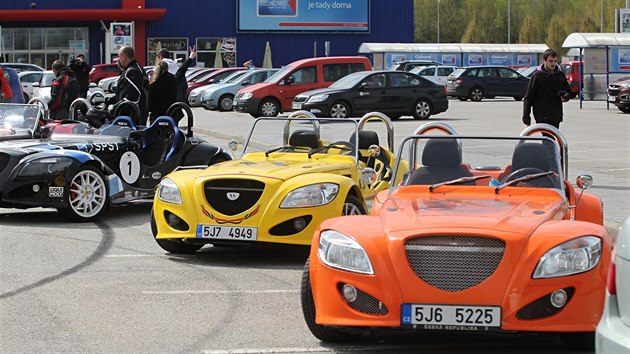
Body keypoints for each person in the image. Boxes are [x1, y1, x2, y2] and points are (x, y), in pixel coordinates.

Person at [522, 48, 575, 129]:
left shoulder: (560, 75)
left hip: (556, 115)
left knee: (552, 138)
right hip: (542, 115)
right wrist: (526, 116)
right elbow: (529, 97)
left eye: (555, 61)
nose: (553, 64)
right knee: (547, 138)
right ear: (544, 60)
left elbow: (569, 93)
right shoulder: (537, 76)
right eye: (550, 61)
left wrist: (565, 96)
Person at [149, 46, 197, 122]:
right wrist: (190, 58)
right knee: (173, 130)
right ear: (167, 69)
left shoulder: (153, 84)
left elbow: (150, 103)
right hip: (172, 112)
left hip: (157, 115)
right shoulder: (173, 80)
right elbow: (181, 70)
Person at [109, 46, 149, 125]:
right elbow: (124, 92)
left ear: (124, 57)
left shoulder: (132, 71)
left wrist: (114, 108)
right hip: (131, 114)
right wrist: (109, 100)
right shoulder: (133, 69)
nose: (118, 59)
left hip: (133, 115)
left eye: (119, 56)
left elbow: (133, 97)